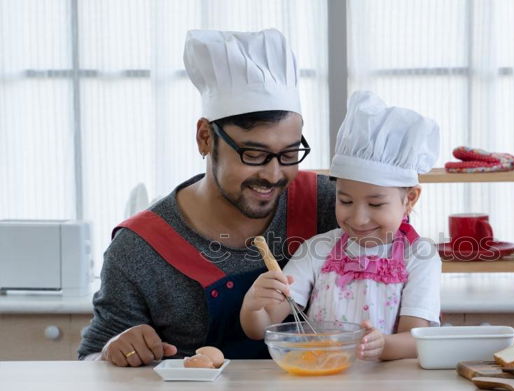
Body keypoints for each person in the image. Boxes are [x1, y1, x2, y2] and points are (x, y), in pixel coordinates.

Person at [77, 28, 337, 365]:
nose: (274, 175)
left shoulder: (331, 207)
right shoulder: (140, 249)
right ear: (204, 138)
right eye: (254, 155)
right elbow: (90, 362)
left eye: (289, 154)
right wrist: (113, 352)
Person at [240, 91, 442, 361]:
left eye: (376, 204)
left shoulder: (419, 256)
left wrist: (383, 346)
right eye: (345, 200)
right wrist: (253, 305)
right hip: (323, 381)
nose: (358, 218)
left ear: (410, 199)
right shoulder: (318, 250)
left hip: (389, 389)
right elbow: (262, 328)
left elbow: (416, 339)